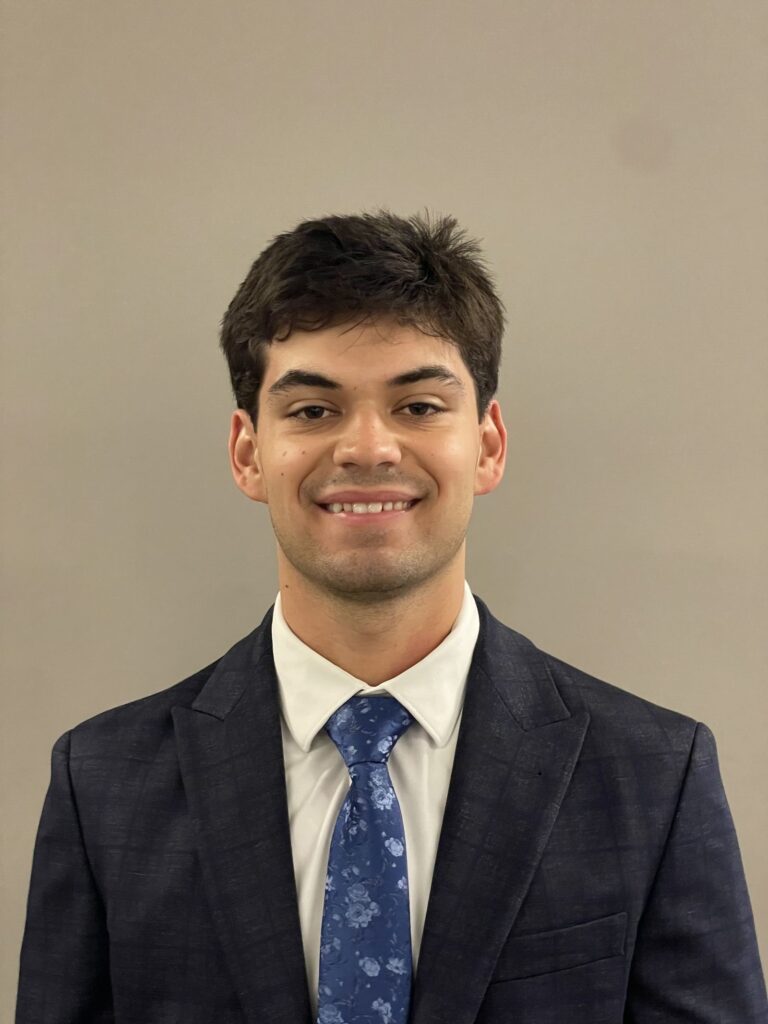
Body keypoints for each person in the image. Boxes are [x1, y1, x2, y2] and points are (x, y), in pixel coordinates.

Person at [16, 210, 767, 1024]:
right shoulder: (104, 785)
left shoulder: (654, 777)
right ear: (247, 452)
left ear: (488, 445)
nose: (368, 448)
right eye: (313, 411)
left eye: (418, 406)